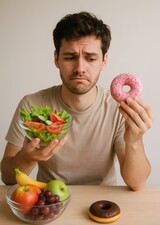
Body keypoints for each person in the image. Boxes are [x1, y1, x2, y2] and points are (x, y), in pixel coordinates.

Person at [1, 11, 153, 191]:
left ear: (104, 60)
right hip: (51, 201)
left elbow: (137, 183)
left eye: (90, 58)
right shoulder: (32, 105)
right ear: (56, 59)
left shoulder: (117, 108)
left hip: (102, 202)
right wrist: (27, 158)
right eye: (70, 57)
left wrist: (134, 141)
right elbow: (7, 177)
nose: (80, 68)